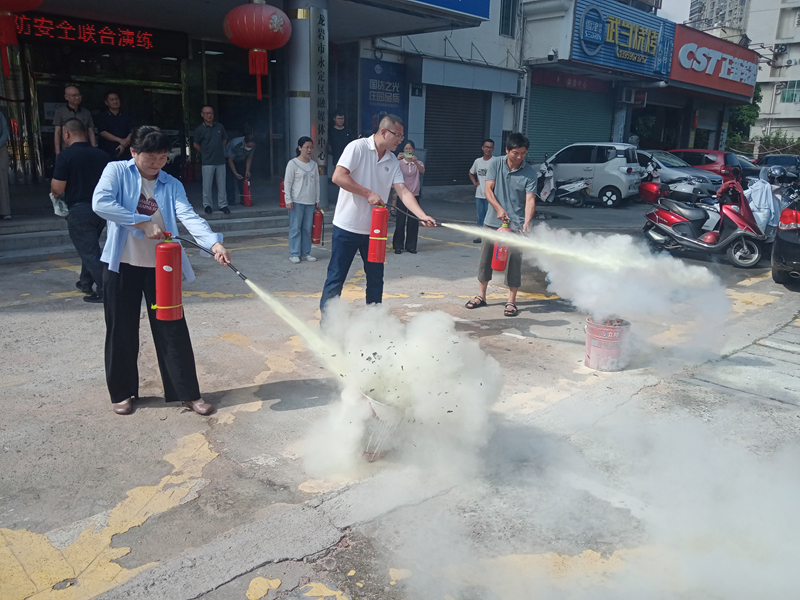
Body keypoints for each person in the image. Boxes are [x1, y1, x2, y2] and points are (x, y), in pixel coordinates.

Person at [93, 126, 231, 416]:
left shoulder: (171, 183)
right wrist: (140, 222)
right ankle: (122, 392)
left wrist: (213, 244)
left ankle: (188, 394)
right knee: (121, 329)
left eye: (163, 158)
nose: (157, 164)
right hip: (122, 265)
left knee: (172, 328)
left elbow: (188, 216)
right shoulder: (116, 172)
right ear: (134, 153)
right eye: (151, 158)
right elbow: (101, 203)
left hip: (161, 268)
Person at [320, 114, 436, 312]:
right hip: (347, 227)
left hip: (375, 232)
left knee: (375, 279)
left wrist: (421, 215)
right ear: (384, 132)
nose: (400, 140)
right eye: (397, 136)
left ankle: (373, 323)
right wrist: (368, 193)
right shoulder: (357, 148)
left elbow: (403, 191)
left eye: (401, 136)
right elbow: (338, 177)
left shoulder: (392, 160)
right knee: (336, 277)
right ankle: (327, 326)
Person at [465, 133, 536, 318]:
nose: (520, 157)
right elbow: (488, 189)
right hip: (492, 222)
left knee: (514, 262)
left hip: (516, 225)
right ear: (507, 150)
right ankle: (481, 296)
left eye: (523, 153)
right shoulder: (496, 163)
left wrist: (527, 221)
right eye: (515, 153)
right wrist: (497, 208)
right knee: (485, 259)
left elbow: (530, 200)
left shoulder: (530, 172)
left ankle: (511, 301)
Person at [51, 118, 110, 303]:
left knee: (90, 252)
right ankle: (85, 282)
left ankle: (106, 291)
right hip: (101, 210)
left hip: (79, 209)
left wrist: (53, 192)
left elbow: (58, 188)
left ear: (66, 134)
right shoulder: (102, 155)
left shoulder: (66, 156)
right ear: (85, 133)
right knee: (89, 247)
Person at [284, 136, 320, 264]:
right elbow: (287, 183)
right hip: (297, 201)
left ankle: (306, 253)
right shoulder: (292, 163)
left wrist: (317, 199)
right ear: (300, 148)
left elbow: (317, 183)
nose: (309, 150)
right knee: (295, 228)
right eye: (306, 147)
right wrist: (287, 199)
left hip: (310, 202)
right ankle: (294, 253)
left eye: (311, 147)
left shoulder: (314, 164)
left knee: (307, 229)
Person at [192, 105, 229, 214]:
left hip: (220, 160)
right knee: (207, 185)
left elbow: (224, 140)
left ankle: (223, 205)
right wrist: (205, 152)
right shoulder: (200, 129)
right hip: (207, 161)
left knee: (222, 184)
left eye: (211, 113)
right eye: (206, 113)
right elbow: (195, 144)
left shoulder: (219, 127)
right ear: (202, 115)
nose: (209, 115)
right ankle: (207, 205)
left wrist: (218, 149)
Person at [391, 140, 425, 254]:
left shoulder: (418, 162)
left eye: (410, 149)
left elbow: (422, 171)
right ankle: (398, 245)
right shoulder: (399, 163)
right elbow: (391, 170)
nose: (408, 151)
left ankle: (411, 246)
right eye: (406, 149)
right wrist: (396, 159)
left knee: (413, 222)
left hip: (414, 195)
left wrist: (415, 162)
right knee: (400, 221)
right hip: (402, 195)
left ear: (414, 150)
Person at [54, 86, 96, 155]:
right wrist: (57, 152)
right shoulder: (60, 112)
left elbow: (90, 132)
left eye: (79, 95)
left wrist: (94, 149)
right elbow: (57, 133)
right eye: (74, 95)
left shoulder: (86, 112)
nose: (77, 97)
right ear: (66, 97)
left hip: (84, 149)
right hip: (66, 149)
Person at [469, 139, 495, 244]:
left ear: (493, 149)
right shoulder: (478, 161)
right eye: (486, 147)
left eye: (490, 147)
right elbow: (471, 173)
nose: (488, 149)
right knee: (480, 217)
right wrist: (475, 182)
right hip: (479, 194)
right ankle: (480, 236)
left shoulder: (495, 161)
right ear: (482, 148)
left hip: (491, 195)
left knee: (491, 217)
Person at [95, 91, 134, 161]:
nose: (115, 101)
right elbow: (103, 132)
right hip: (107, 150)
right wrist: (120, 140)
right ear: (106, 102)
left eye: (117, 99)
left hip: (126, 151)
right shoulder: (102, 116)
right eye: (112, 100)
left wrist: (123, 144)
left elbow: (131, 132)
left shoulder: (126, 116)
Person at [225, 134, 256, 206]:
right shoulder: (235, 144)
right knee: (229, 181)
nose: (250, 148)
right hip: (228, 159)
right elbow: (230, 160)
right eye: (248, 146)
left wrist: (247, 170)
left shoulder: (253, 145)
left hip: (241, 160)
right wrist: (235, 173)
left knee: (244, 179)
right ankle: (231, 200)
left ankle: (244, 199)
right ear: (244, 142)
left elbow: (249, 157)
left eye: (251, 147)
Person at [0, 111, 10, 220]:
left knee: (2, 181)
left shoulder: (0, 114)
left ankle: (5, 211)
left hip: (1, 149)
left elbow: (5, 132)